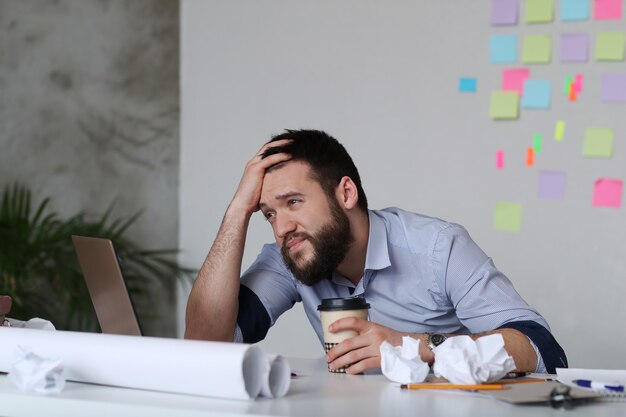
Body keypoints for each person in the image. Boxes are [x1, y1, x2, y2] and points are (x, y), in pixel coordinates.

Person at [185, 129, 567, 374]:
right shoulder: (292, 255)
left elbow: (541, 348)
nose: (282, 227)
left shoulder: (436, 248)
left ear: (345, 193)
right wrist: (237, 211)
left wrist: (413, 346)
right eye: (268, 213)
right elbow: (206, 343)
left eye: (294, 202)